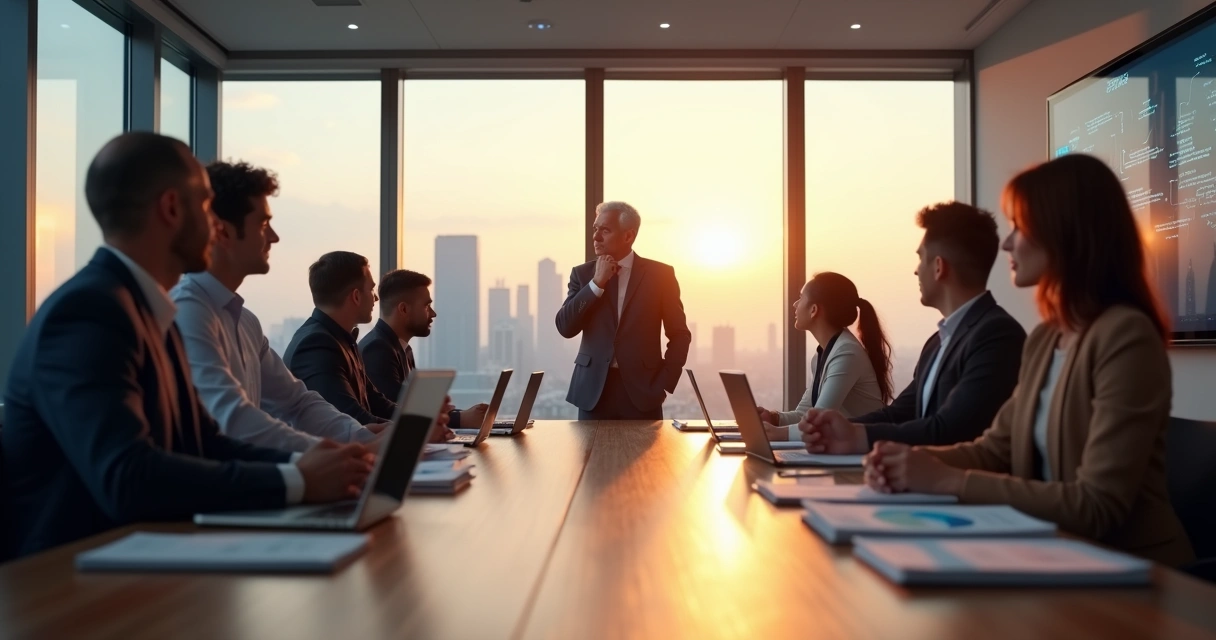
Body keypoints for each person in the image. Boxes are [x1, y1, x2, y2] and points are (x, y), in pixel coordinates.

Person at [1, 133, 371, 559]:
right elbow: (128, 476)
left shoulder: (150, 311)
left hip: (139, 562)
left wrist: (320, 467)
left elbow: (206, 443)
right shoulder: (89, 312)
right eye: (206, 206)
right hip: (67, 588)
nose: (214, 225)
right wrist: (298, 481)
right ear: (172, 208)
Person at [862, 154, 1194, 566]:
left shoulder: (1125, 336)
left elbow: (1097, 506)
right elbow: (994, 450)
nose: (1007, 243)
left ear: (1063, 234)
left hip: (1138, 577)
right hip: (1058, 556)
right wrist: (908, 462)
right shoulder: (1046, 338)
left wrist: (947, 478)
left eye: (1019, 226)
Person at [172, 161, 385, 453]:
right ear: (223, 233)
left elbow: (298, 402)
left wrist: (361, 439)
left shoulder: (245, 321)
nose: (274, 237)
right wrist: (332, 453)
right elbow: (232, 420)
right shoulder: (188, 312)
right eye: (262, 224)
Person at [798, 202, 1026, 453]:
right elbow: (900, 413)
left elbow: (952, 430)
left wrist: (857, 435)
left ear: (939, 267)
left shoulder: (997, 336)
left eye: (920, 258)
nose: (916, 270)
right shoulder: (937, 342)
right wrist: (839, 428)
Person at [283, 252, 454, 442]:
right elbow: (352, 418)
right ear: (356, 296)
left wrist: (424, 422)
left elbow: (377, 402)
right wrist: (416, 429)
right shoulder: (317, 344)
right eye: (371, 290)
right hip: (335, 465)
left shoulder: (339, 339)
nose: (376, 298)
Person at [555, 201, 691, 420]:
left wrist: (665, 381)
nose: (596, 237)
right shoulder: (582, 275)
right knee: (592, 455)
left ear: (628, 236)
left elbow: (680, 334)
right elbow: (565, 327)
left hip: (643, 393)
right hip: (593, 392)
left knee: (648, 456)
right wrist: (596, 284)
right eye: (595, 229)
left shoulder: (660, 275)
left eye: (605, 230)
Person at [757, 272, 890, 442]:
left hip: (864, 454)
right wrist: (774, 419)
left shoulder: (846, 353)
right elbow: (805, 414)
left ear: (814, 310)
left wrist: (778, 433)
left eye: (800, 298)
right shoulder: (825, 353)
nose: (794, 304)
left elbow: (818, 422)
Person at [359, 269, 487, 428]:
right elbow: (395, 410)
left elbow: (414, 406)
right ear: (404, 309)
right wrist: (460, 419)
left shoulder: (402, 348)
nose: (433, 313)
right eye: (426, 306)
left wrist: (461, 414)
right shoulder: (377, 349)